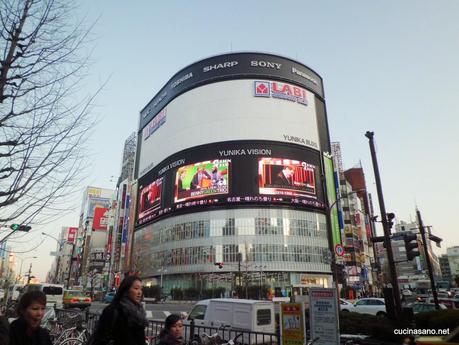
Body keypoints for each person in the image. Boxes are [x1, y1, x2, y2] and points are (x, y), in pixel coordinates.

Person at [91, 275, 147, 345]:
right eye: (136, 288)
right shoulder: (113, 310)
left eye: (141, 289)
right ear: (125, 290)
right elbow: (101, 339)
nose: (139, 292)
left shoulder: (139, 311)